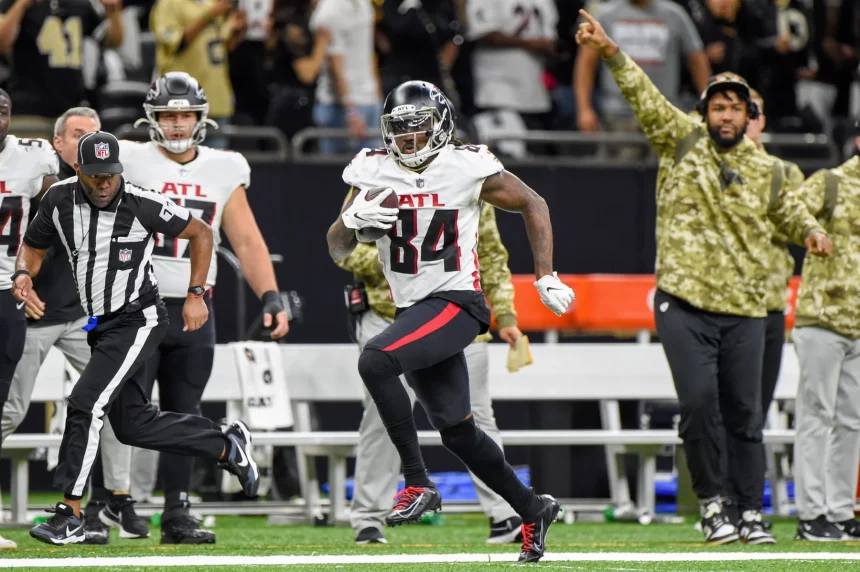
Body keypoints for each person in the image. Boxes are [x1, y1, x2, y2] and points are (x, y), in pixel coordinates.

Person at [575, 9, 831, 546]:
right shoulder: (679, 139)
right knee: (697, 404)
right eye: (718, 106)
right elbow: (641, 93)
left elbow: (790, 212)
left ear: (749, 115)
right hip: (683, 301)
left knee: (745, 415)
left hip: (743, 308)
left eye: (736, 108)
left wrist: (810, 232)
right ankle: (712, 504)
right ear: (704, 111)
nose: (727, 115)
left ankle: (749, 510)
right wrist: (611, 50)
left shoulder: (768, 169)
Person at [326, 80, 575, 563]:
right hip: (412, 309)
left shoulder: (467, 165)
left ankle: (417, 482)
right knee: (458, 430)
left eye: (418, 129)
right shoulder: (371, 169)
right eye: (399, 130)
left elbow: (533, 203)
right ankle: (532, 508)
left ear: (440, 126)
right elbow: (337, 247)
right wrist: (355, 223)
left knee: (375, 361)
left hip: (457, 302)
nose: (408, 140)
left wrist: (545, 275)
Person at [15, 131, 259, 546]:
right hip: (101, 325)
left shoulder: (142, 201)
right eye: (96, 175)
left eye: (112, 173)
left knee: (85, 403)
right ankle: (224, 445)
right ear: (79, 170)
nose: (105, 182)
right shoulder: (58, 200)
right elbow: (33, 247)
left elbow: (202, 233)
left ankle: (70, 513)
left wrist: (196, 293)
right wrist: (23, 274)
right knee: (132, 425)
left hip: (139, 319)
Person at [119, 71, 289, 545]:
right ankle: (105, 502)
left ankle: (178, 511)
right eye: (168, 115)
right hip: (137, 305)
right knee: (125, 411)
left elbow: (247, 239)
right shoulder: (128, 159)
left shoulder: (223, 167)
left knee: (184, 409)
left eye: (185, 115)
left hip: (195, 306)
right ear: (152, 118)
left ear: (201, 118)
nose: (176, 124)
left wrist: (270, 296)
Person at [337, 202, 525, 545]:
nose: (412, 145)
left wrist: (507, 316)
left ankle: (508, 513)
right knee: (381, 419)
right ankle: (369, 518)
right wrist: (404, 255)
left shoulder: (469, 177)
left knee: (477, 418)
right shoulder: (376, 176)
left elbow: (492, 253)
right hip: (389, 313)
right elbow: (343, 248)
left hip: (456, 313)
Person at [1, 107, 147, 545]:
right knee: (9, 408)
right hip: (36, 312)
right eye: (80, 134)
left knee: (118, 399)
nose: (91, 141)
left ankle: (116, 496)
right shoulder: (50, 186)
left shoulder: (112, 188)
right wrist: (19, 288)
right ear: (58, 145)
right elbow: (30, 246)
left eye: (97, 133)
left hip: (86, 317)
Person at [717, 89, 805, 526]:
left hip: (767, 306)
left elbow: (801, 226)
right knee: (715, 406)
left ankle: (743, 501)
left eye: (749, 112)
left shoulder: (782, 173)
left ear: (761, 120)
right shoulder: (708, 167)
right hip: (717, 304)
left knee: (751, 409)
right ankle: (720, 502)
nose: (742, 121)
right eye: (731, 111)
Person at [792, 120, 860, 542]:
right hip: (822, 317)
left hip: (858, 323)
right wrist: (811, 229)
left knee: (853, 420)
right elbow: (790, 209)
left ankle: (840, 510)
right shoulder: (832, 182)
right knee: (817, 415)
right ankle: (811, 514)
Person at [0, 88, 59, 551]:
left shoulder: (32, 157)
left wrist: (28, 271)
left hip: (5, 294)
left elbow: (53, 211)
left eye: (2, 111)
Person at [0, 0, 123, 137]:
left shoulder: (83, 5)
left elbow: (112, 42)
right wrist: (21, 4)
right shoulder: (14, 3)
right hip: (28, 106)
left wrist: (113, 11)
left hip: (71, 106)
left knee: (75, 157)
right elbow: (2, 43)